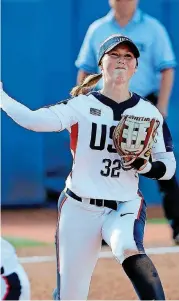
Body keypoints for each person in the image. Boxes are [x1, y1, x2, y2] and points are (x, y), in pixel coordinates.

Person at [0, 34, 176, 300]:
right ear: (100, 64)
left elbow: (169, 166)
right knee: (71, 294)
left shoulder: (148, 112)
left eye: (128, 56)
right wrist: (1, 97)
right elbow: (34, 120)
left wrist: (146, 166)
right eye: (114, 55)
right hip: (78, 207)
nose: (121, 60)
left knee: (128, 246)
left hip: (124, 204)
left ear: (136, 67)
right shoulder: (81, 106)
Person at [75, 0, 179, 244]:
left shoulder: (152, 28)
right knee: (103, 166)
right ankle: (101, 228)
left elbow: (167, 68)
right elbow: (86, 69)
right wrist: (81, 104)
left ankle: (178, 226)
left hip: (143, 107)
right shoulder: (98, 29)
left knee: (163, 169)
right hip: (106, 105)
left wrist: (161, 107)